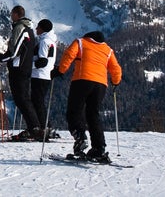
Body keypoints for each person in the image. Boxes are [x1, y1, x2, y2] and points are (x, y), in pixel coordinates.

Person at [51, 30, 122, 163]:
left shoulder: (81, 42)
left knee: (74, 111)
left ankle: (80, 138)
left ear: (88, 37)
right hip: (101, 85)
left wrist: (60, 70)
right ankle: (98, 148)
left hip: (82, 80)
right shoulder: (108, 50)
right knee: (93, 115)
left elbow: (69, 55)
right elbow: (116, 69)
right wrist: (116, 82)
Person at [0, 5, 41, 141]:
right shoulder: (28, 29)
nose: (10, 16)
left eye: (11, 14)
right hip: (24, 68)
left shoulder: (20, 28)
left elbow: (14, 51)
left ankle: (35, 128)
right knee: (22, 99)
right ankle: (34, 127)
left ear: (16, 14)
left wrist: (2, 57)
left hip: (19, 69)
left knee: (22, 99)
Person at [31, 19, 57, 138]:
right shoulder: (51, 41)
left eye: (38, 27)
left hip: (39, 74)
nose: (36, 29)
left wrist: (28, 67)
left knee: (37, 102)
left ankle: (44, 127)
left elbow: (42, 61)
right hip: (46, 75)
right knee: (39, 102)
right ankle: (46, 126)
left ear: (42, 29)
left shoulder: (44, 42)